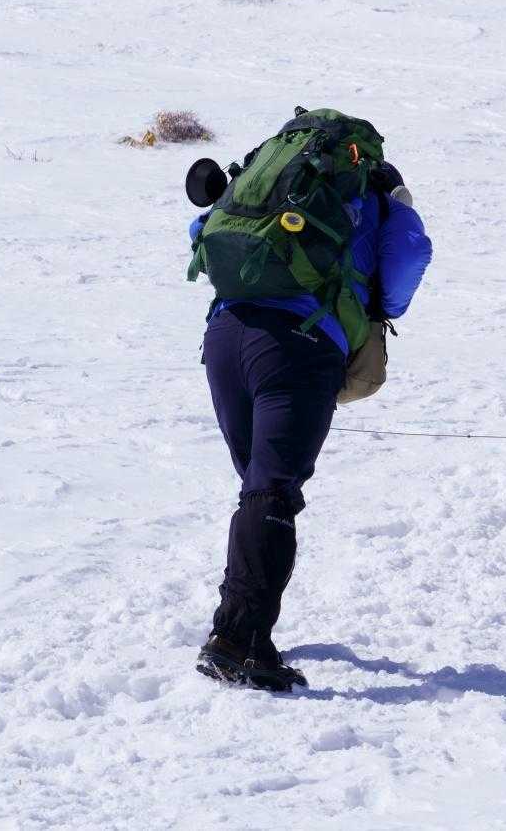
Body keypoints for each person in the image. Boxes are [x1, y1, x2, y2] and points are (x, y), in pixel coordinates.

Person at [190, 130, 431, 691]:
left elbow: (201, 232)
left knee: (259, 488)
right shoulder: (376, 198)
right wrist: (398, 210)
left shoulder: (268, 187)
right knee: (272, 493)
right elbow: (408, 262)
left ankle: (241, 626)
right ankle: (238, 641)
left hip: (226, 336)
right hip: (297, 344)